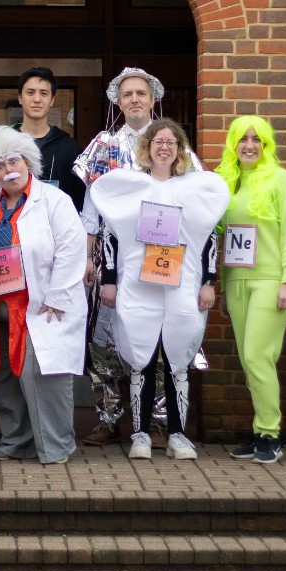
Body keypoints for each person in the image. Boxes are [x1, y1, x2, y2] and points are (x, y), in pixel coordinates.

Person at [92, 118, 228, 461]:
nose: (164, 147)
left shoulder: (194, 188)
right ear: (147, 148)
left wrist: (208, 283)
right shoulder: (132, 188)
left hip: (183, 283)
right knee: (142, 357)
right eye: (158, 142)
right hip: (139, 284)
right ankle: (140, 434)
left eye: (171, 142)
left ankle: (177, 433)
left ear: (180, 150)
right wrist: (109, 280)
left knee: (179, 357)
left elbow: (209, 237)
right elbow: (110, 235)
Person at [0, 127, 86, 464]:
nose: (7, 170)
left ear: (28, 160)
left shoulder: (55, 200)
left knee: (39, 373)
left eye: (12, 161)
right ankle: (17, 441)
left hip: (39, 306)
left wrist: (57, 296)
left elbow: (71, 251)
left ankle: (56, 444)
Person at [73, 66, 168, 445]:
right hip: (111, 253)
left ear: (152, 99)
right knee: (104, 339)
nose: (134, 100)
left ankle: (158, 420)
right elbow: (90, 206)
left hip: (158, 251)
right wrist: (87, 256)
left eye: (140, 93)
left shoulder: (168, 141)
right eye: (127, 94)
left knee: (157, 337)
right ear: (118, 100)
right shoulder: (103, 145)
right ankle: (108, 417)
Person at [217, 115, 286, 464]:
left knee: (257, 356)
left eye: (257, 140)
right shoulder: (227, 182)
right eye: (243, 139)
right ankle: (259, 433)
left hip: (272, 281)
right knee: (250, 360)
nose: (250, 145)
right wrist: (224, 287)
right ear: (233, 145)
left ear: (266, 145)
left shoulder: (282, 181)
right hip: (237, 282)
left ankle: (270, 434)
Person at [13, 67, 86, 211]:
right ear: (20, 98)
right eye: (30, 92)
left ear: (52, 100)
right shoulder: (4, 142)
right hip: (10, 226)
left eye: (44, 93)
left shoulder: (69, 147)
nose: (37, 99)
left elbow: (78, 198)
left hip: (56, 227)